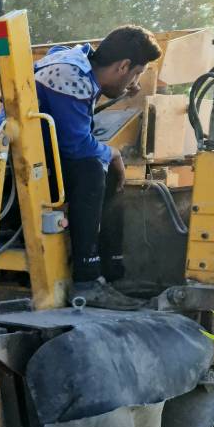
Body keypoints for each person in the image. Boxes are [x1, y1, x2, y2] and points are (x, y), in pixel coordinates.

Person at [32, 24, 162, 309]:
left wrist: (121, 90)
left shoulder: (69, 59)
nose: (135, 83)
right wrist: (114, 155)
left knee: (97, 162)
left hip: (34, 153)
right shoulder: (72, 78)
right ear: (123, 65)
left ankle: (111, 273)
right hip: (30, 163)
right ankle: (88, 278)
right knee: (94, 169)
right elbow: (76, 145)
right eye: (136, 74)